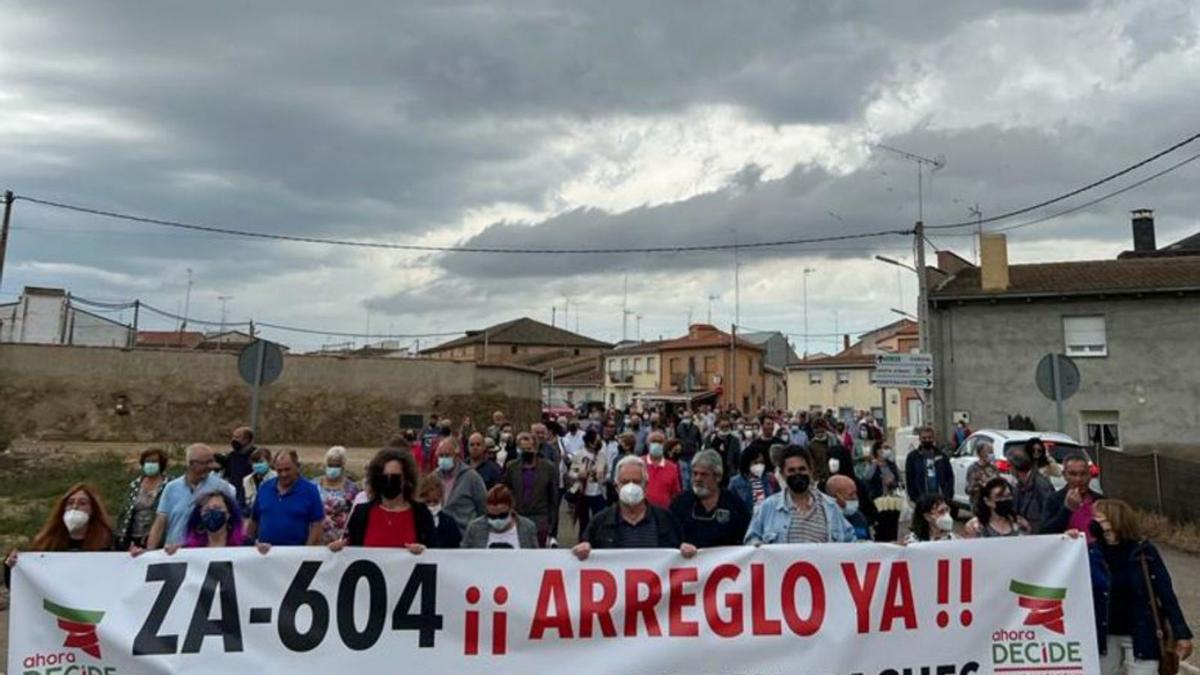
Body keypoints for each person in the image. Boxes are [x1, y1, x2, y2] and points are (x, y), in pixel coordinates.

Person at [1087, 499, 1193, 673]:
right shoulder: (1091, 552)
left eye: (1100, 519)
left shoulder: (1143, 551)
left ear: (1115, 521)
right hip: (1105, 635)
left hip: (1141, 632)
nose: (1094, 523)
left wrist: (1182, 633)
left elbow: (1165, 593)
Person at [573, 456, 686, 559]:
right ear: (617, 487)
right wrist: (583, 550)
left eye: (636, 482)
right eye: (625, 482)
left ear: (645, 485)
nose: (631, 486)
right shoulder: (599, 522)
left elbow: (680, 550)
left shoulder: (666, 520)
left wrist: (686, 551)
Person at [6, 483, 114, 586]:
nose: (75, 507)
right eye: (70, 503)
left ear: (93, 510)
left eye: (82, 503)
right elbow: (24, 585)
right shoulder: (47, 543)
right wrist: (12, 565)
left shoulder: (110, 543)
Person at [744, 445, 856, 545]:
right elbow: (751, 540)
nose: (797, 474)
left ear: (810, 470)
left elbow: (850, 541)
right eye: (791, 470)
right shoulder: (767, 507)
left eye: (802, 469)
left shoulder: (830, 507)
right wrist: (758, 547)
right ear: (783, 474)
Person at [333, 448, 432, 552]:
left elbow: (435, 550)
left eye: (395, 477)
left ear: (406, 480)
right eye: (384, 477)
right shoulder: (361, 513)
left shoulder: (421, 513)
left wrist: (425, 552)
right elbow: (349, 548)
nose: (389, 480)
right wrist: (337, 549)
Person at [145, 443, 235, 550]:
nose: (211, 467)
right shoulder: (171, 488)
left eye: (212, 462)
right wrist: (149, 552)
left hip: (206, 554)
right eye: (206, 463)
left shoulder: (223, 487)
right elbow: (160, 522)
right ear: (192, 464)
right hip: (174, 554)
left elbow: (235, 521)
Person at [670, 450, 751, 548]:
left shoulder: (735, 506)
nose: (698, 479)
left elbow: (746, 539)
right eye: (695, 474)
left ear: (718, 477)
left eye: (704, 474)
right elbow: (670, 537)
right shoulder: (680, 504)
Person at [246, 449, 324, 549]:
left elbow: (317, 525)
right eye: (279, 470)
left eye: (287, 469)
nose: (283, 474)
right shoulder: (265, 488)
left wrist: (307, 552)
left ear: (297, 467)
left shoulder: (310, 491)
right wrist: (249, 545)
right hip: (265, 555)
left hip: (296, 556)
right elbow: (254, 520)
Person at [502, 432, 559, 547]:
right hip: (517, 518)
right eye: (523, 449)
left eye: (529, 448)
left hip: (540, 520)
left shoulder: (548, 468)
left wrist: (552, 526)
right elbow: (506, 492)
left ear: (536, 449)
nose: (526, 452)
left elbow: (553, 499)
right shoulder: (511, 467)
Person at [115, 447, 171, 550]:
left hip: (159, 536)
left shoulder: (170, 484)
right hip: (134, 535)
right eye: (147, 461)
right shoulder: (134, 485)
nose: (150, 464)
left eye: (154, 461)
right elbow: (125, 511)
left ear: (161, 464)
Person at [433, 437, 486, 534]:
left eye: (447, 455)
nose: (443, 459)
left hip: (464, 536)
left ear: (456, 456)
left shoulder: (471, 477)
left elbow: (483, 507)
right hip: (439, 537)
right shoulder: (433, 477)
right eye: (441, 456)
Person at [1040, 453, 1102, 537]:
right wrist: (1067, 509)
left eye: (1083, 474)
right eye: (1073, 474)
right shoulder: (1053, 499)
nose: (1078, 479)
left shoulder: (1100, 500)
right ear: (1065, 475)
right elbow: (1045, 532)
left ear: (1089, 475)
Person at [462, 485, 539, 549]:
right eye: (492, 516)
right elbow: (464, 557)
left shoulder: (527, 527)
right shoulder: (475, 528)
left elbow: (534, 557)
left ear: (511, 508)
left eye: (502, 515)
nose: (497, 519)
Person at [567, 429, 608, 539]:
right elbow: (571, 472)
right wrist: (578, 476)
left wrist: (604, 479)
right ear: (590, 442)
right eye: (597, 441)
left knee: (600, 520)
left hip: (598, 493)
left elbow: (607, 471)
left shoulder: (602, 455)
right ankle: (583, 540)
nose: (600, 443)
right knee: (584, 521)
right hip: (583, 492)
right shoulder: (579, 455)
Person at [175, 490, 246, 551]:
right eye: (206, 510)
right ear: (200, 515)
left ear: (228, 514)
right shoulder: (188, 549)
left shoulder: (245, 545)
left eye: (217, 508)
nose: (212, 512)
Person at [315, 445, 359, 544]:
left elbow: (354, 515)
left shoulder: (351, 488)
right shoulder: (314, 485)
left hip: (341, 541)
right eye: (330, 465)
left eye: (337, 466)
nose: (333, 469)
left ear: (343, 466)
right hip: (317, 538)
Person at [1010, 445, 1056, 533]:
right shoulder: (1018, 485)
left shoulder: (1042, 485)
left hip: (1039, 537)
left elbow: (1050, 514)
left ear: (1014, 468)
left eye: (1010, 466)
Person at [964, 478, 1031, 538]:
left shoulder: (1021, 523)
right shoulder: (975, 527)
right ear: (987, 501)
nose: (1005, 500)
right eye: (999, 496)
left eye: (1008, 495)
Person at [904, 426, 953, 507]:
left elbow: (949, 476)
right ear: (919, 439)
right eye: (924, 438)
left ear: (933, 438)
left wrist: (948, 495)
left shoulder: (942, 456)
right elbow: (909, 479)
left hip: (940, 499)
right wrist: (915, 497)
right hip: (922, 500)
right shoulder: (912, 457)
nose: (927, 440)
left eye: (929, 437)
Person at [728, 442, 778, 513]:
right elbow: (731, 505)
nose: (759, 465)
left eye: (762, 462)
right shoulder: (735, 482)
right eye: (755, 463)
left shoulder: (770, 479)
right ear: (747, 463)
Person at [416, 473, 462, 548]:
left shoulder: (449, 523)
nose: (432, 505)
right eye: (428, 502)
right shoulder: (414, 521)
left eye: (435, 501)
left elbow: (456, 548)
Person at [825, 474, 870, 541]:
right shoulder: (826, 519)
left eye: (855, 493)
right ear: (836, 497)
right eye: (850, 494)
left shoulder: (859, 517)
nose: (855, 497)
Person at [643, 435, 682, 509]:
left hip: (664, 511)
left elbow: (675, 493)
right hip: (644, 511)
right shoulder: (639, 463)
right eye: (653, 442)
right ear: (648, 444)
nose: (656, 444)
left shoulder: (672, 467)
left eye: (660, 442)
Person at [223, 426, 257, 506]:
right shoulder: (232, 456)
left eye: (237, 437)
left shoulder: (255, 456)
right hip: (234, 496)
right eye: (233, 437)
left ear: (247, 439)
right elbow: (227, 475)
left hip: (248, 497)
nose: (233, 440)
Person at [964, 440, 1000, 506]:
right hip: (978, 504)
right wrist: (979, 486)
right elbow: (967, 489)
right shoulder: (973, 468)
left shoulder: (993, 468)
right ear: (980, 453)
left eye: (992, 452)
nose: (990, 454)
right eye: (988, 451)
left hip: (991, 504)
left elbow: (999, 484)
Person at [674, 410, 703, 486]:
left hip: (692, 455)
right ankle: (686, 493)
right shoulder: (678, 428)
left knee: (692, 476)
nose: (687, 419)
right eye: (685, 417)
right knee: (685, 477)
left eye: (688, 417)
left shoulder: (695, 428)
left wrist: (699, 452)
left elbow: (700, 441)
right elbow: (675, 440)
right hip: (682, 455)